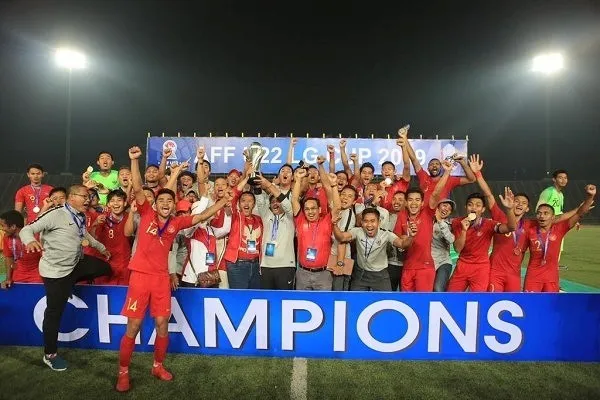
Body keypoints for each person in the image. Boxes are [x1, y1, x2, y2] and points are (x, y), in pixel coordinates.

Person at [116, 146, 228, 392]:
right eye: (162, 200)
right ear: (155, 205)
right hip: (140, 278)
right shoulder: (145, 213)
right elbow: (136, 187)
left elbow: (200, 218)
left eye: (170, 200)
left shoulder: (176, 223)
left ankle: (158, 365)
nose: (166, 203)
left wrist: (221, 202)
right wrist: (134, 161)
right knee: (133, 327)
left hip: (160, 280)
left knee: (162, 324)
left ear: (174, 204)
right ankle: (123, 372)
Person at [19, 184, 112, 371]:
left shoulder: (80, 215)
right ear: (71, 197)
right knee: (54, 313)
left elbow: (83, 234)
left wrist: (102, 248)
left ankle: (70, 283)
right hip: (55, 272)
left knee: (104, 267)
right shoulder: (55, 214)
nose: (88, 200)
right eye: (84, 196)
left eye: (89, 197)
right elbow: (26, 229)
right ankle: (50, 355)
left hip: (75, 265)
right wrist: (30, 240)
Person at [447, 155, 517, 292]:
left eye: (478, 205)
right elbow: (458, 249)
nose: (474, 208)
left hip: (481, 268)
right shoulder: (457, 222)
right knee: (452, 298)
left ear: (483, 209)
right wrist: (463, 230)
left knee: (478, 301)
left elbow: (511, 227)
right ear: (466, 207)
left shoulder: (488, 224)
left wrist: (509, 210)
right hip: (462, 266)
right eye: (470, 205)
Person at [468, 155, 532, 292]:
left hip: (514, 275)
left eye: (524, 203)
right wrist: (477, 173)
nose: (519, 204)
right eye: (517, 201)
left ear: (527, 208)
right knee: (492, 303)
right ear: (511, 202)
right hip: (495, 272)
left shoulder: (530, 225)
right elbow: (489, 195)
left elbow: (553, 220)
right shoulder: (499, 215)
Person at [523, 184, 596, 292]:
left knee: (551, 308)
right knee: (531, 307)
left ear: (553, 217)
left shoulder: (560, 229)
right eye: (539, 213)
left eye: (545, 213)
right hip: (533, 278)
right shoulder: (530, 230)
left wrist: (590, 197)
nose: (541, 216)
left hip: (551, 279)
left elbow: (580, 213)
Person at [393, 160, 451, 292]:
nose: (414, 203)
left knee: (422, 305)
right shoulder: (402, 216)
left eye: (417, 200)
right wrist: (408, 237)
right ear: (406, 202)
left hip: (425, 268)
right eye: (410, 200)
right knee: (406, 304)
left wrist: (447, 173)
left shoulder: (427, 213)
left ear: (422, 202)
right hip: (407, 268)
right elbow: (399, 241)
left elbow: (436, 193)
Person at [333, 208, 415, 291]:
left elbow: (402, 244)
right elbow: (341, 238)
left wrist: (411, 236)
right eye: (366, 221)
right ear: (362, 222)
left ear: (379, 222)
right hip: (361, 274)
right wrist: (335, 225)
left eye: (373, 221)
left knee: (386, 302)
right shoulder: (357, 231)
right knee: (356, 301)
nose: (369, 225)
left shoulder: (386, 234)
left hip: (380, 275)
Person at [292, 167, 340, 290]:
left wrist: (334, 185)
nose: (310, 212)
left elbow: (337, 207)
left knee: (324, 306)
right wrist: (298, 180)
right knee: (301, 305)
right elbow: (294, 200)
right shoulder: (300, 220)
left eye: (313, 208)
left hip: (323, 275)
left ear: (319, 209)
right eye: (307, 209)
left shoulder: (327, 221)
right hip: (303, 273)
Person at [401, 128, 476, 204]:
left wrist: (462, 163)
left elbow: (471, 179)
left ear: (441, 167)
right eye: (431, 164)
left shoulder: (448, 180)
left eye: (437, 164)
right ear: (427, 168)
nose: (434, 166)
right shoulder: (423, 176)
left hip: (440, 214)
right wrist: (405, 139)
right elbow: (414, 159)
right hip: (423, 214)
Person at [254, 174, 296, 289]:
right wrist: (257, 185)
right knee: (267, 301)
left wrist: (269, 185)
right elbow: (261, 203)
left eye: (278, 201)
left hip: (286, 266)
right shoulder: (267, 217)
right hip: (266, 266)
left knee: (284, 301)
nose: (275, 204)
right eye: (272, 202)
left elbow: (287, 205)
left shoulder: (290, 218)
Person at [91, 190, 132, 285]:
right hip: (105, 263)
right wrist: (95, 224)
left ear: (125, 203)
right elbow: (93, 239)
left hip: (124, 264)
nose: (116, 203)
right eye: (112, 201)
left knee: (122, 295)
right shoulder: (101, 218)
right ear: (108, 204)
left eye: (119, 200)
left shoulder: (130, 218)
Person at [0, 210, 42, 287]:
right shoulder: (6, 238)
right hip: (19, 274)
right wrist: (8, 278)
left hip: (38, 274)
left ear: (13, 226)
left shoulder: (35, 236)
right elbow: (9, 258)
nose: (2, 229)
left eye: (3, 226)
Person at [431, 199, 456, 292]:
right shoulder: (426, 222)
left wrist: (440, 222)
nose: (446, 209)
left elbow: (451, 239)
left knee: (438, 288)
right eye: (444, 205)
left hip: (443, 262)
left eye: (449, 209)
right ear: (438, 206)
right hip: (427, 262)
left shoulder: (448, 226)